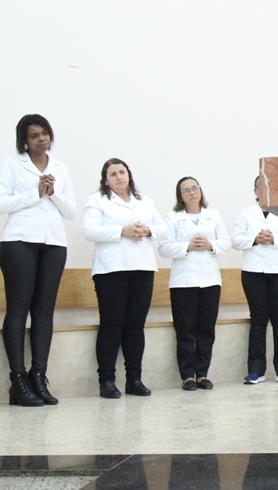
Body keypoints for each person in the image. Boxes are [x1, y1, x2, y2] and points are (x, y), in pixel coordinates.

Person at [0, 114, 77, 407]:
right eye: (35, 135)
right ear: (24, 141)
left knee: (44, 312)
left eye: (45, 133)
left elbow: (70, 211)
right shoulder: (12, 164)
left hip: (54, 244)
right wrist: (34, 193)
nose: (42, 139)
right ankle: (18, 380)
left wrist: (53, 193)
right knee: (18, 309)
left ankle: (39, 376)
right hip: (19, 242)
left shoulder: (61, 168)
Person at [82, 158, 166, 399]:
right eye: (113, 174)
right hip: (111, 270)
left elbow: (163, 228)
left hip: (142, 268)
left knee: (136, 325)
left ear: (129, 175)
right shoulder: (97, 200)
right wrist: (122, 231)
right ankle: (107, 380)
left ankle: (134, 379)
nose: (119, 177)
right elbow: (90, 230)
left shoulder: (144, 201)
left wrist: (147, 230)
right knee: (112, 324)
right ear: (106, 180)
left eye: (122, 172)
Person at [158, 177, 231, 391]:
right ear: (180, 196)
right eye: (186, 190)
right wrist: (187, 246)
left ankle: (203, 374)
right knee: (185, 330)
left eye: (195, 188)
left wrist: (210, 245)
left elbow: (226, 242)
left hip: (210, 280)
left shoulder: (213, 215)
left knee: (206, 329)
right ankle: (187, 376)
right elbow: (164, 247)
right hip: (183, 281)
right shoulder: (172, 217)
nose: (192, 192)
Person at [232, 176, 278, 385]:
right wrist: (255, 239)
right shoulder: (245, 213)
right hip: (253, 272)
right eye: (261, 186)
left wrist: (275, 239)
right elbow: (235, 240)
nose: (265, 190)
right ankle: (255, 370)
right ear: (255, 191)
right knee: (258, 320)